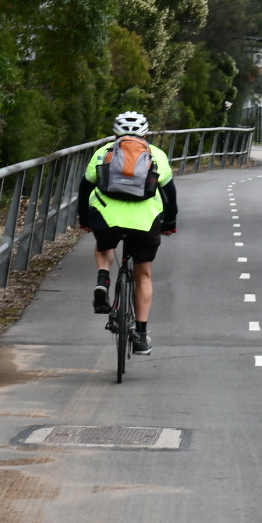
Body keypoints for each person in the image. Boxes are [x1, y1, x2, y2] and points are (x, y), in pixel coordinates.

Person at [76, 110, 177, 354]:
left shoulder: (103, 152)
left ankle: (103, 279)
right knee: (144, 275)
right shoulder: (156, 154)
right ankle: (141, 336)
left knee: (104, 244)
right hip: (145, 221)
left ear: (115, 134)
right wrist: (170, 222)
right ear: (145, 134)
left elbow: (85, 187)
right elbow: (170, 194)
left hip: (107, 217)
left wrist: (85, 220)